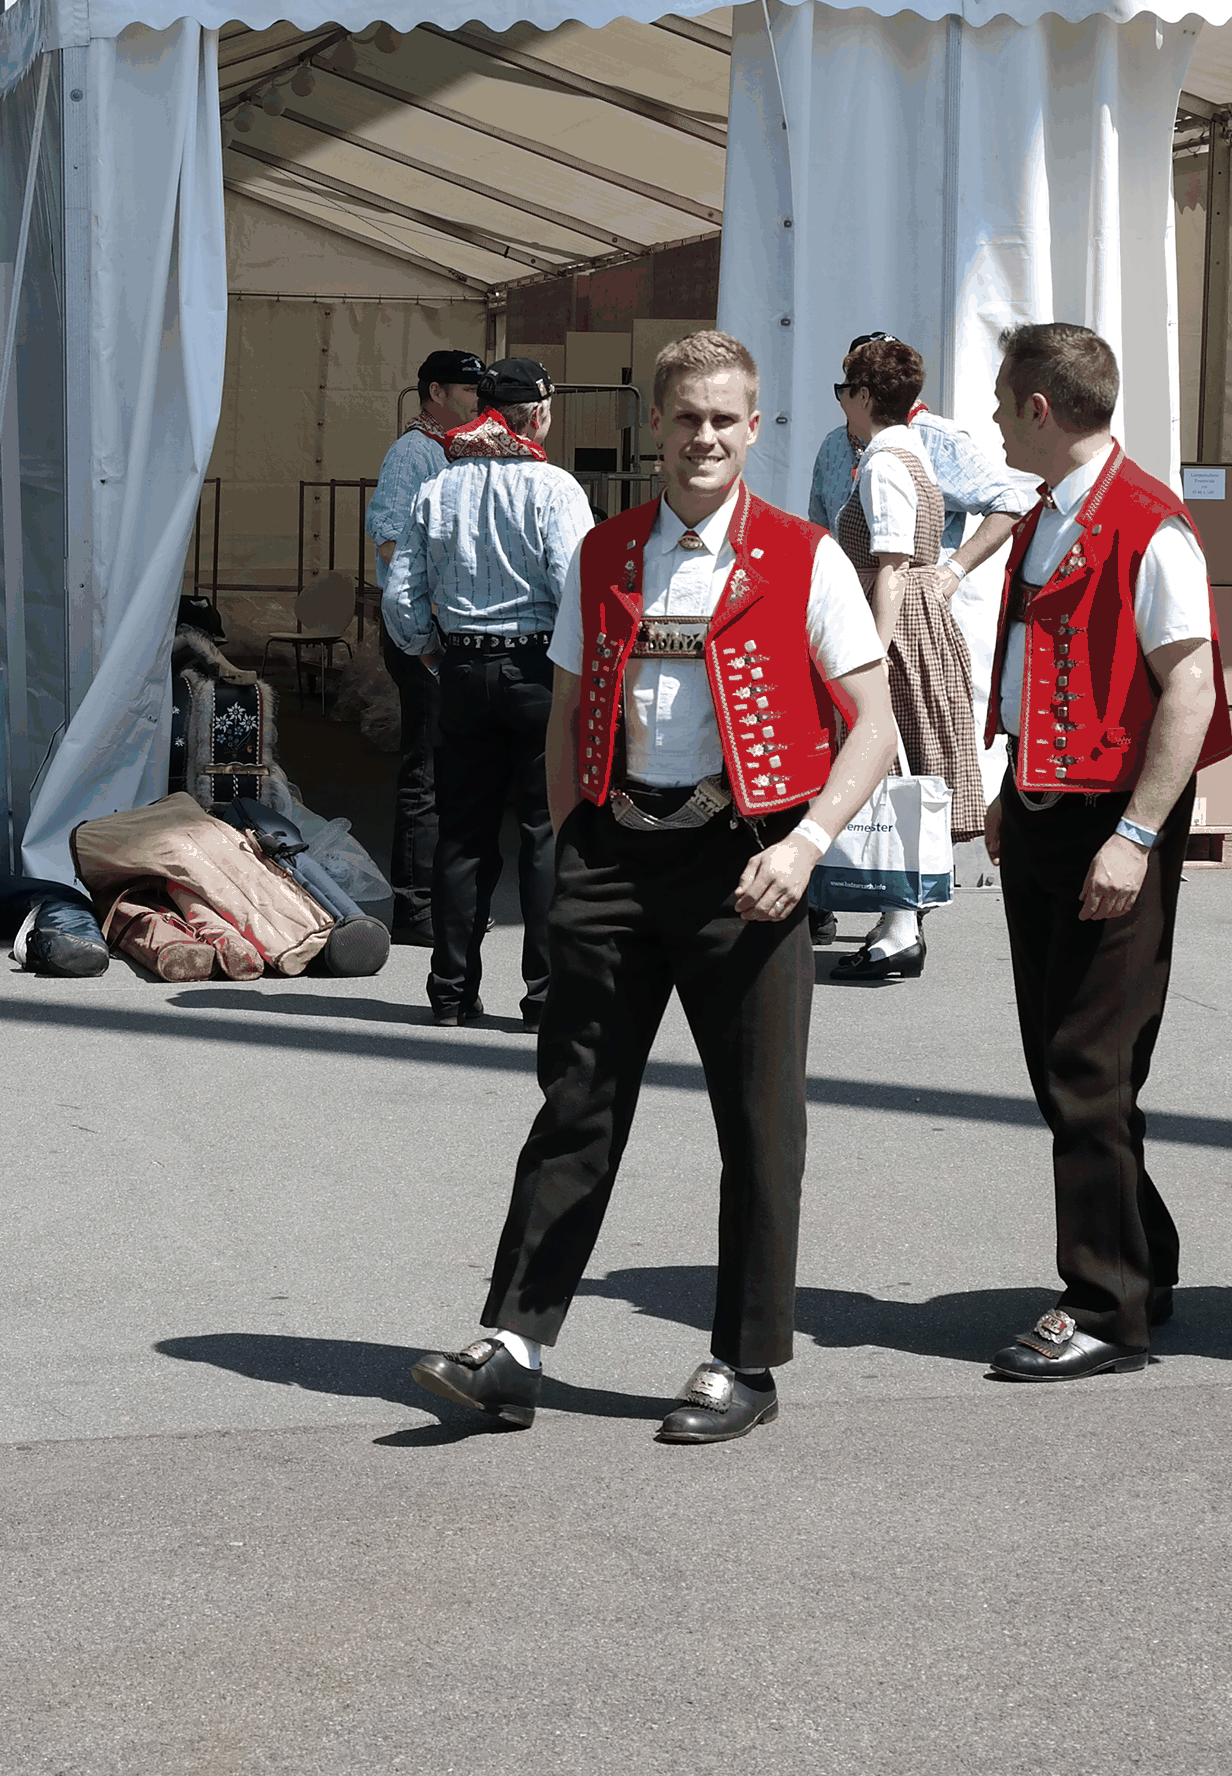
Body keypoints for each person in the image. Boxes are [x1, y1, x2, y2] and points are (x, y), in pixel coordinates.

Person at [406, 332, 900, 1446]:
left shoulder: (806, 554)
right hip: (617, 852)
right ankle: (515, 1345)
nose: (705, 438)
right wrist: (578, 835)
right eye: (686, 418)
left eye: (726, 419)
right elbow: (570, 701)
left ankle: (743, 1358)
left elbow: (873, 724)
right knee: (575, 1102)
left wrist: (808, 844)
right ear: (655, 427)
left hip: (753, 859)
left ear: (754, 427)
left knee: (758, 1119)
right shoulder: (604, 554)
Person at [978, 322, 1227, 1384]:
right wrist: (1009, 781)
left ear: (1039, 406)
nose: (991, 415)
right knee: (1065, 1063)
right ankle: (1142, 1260)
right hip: (1043, 806)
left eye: (1000, 399)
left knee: (1087, 1065)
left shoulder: (1146, 522)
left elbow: (1192, 684)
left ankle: (1103, 1303)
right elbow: (1042, 657)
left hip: (1107, 822)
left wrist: (1134, 833)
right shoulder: (1046, 516)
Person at [380, 358, 596, 1033]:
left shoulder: (439, 487)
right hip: (535, 671)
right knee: (544, 832)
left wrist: (431, 649)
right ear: (539, 414)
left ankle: (449, 991)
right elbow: (577, 592)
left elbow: (400, 593)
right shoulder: (555, 488)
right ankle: (544, 997)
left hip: (464, 668)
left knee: (463, 836)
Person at [825, 334, 1005, 985]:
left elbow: (893, 564)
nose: (842, 403)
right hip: (917, 617)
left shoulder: (882, 460)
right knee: (905, 765)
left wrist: (871, 654)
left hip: (898, 622)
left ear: (867, 396)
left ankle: (902, 924)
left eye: (845, 390)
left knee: (892, 764)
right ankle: (896, 918)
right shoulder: (910, 450)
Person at [364, 349, 489, 943]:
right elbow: (389, 536)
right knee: (427, 772)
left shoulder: (453, 449)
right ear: (436, 392)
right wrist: (428, 605)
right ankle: (414, 907)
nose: (476, 397)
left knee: (448, 767)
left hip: (441, 631)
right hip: (422, 635)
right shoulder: (413, 451)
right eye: (468, 388)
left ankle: (438, 898)